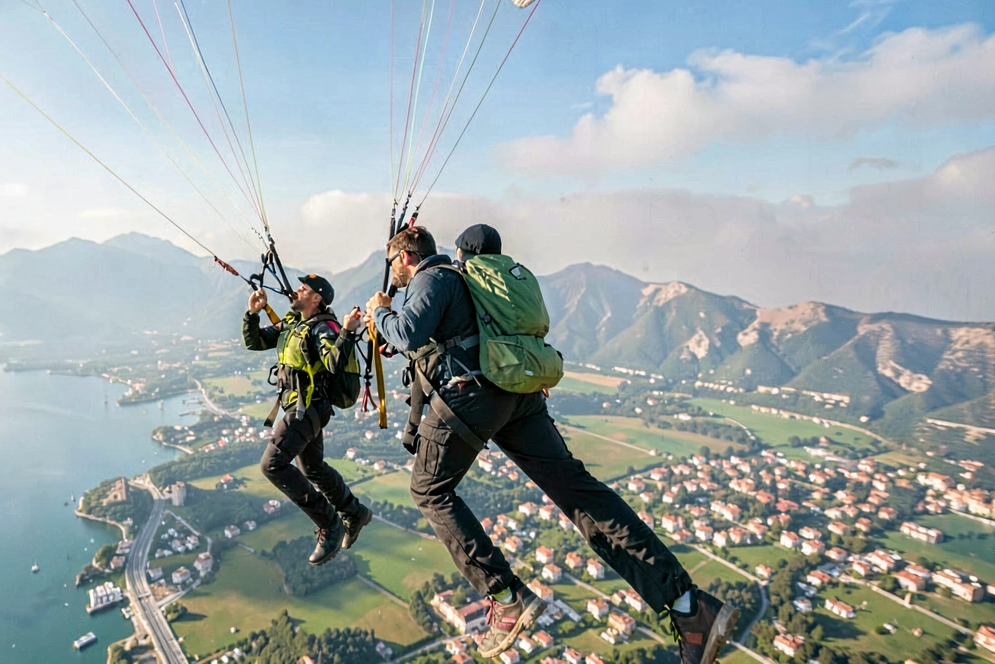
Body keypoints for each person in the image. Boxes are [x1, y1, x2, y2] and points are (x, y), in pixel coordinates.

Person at [366, 225, 737, 664]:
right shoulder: (484, 284)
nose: (392, 272)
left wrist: (380, 312)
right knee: (579, 494)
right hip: (519, 393)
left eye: (391, 263)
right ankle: (689, 606)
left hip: (472, 395)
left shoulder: (433, 276)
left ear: (406, 257)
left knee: (429, 490)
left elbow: (407, 332)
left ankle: (506, 597)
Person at [244, 274, 373, 566]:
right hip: (302, 407)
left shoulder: (323, 328)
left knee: (272, 464)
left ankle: (329, 524)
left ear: (316, 299)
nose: (297, 289)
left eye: (304, 288)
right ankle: (354, 512)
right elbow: (255, 341)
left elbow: (333, 363)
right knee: (311, 467)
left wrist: (347, 332)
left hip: (307, 409)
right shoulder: (293, 324)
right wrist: (252, 314)